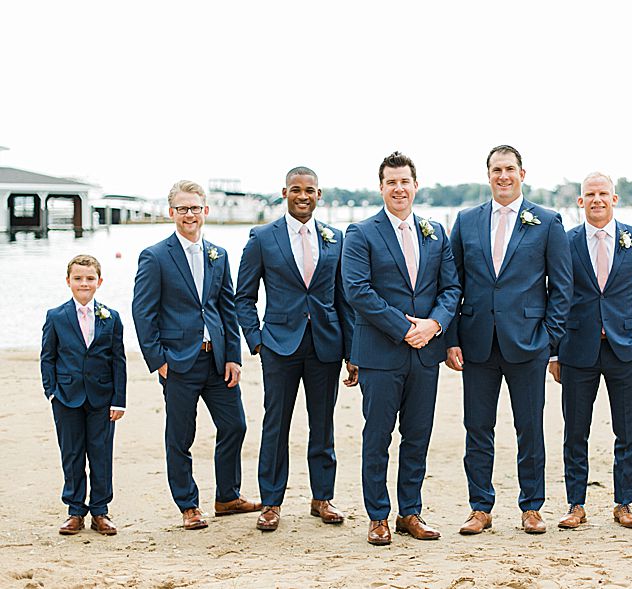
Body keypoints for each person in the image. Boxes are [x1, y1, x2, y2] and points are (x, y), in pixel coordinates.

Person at [445, 145, 571, 535]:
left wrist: (549, 339)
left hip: (528, 343)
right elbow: (451, 284)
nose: (503, 176)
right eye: (497, 170)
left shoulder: (547, 222)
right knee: (477, 429)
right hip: (477, 343)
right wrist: (451, 339)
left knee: (529, 428)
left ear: (522, 173)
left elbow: (562, 287)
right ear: (488, 175)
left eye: (510, 169)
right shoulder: (466, 221)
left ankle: (531, 507)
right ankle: (480, 508)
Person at [342, 151, 460, 545]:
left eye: (404, 181)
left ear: (415, 185)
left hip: (425, 352)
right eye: (391, 182)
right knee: (377, 437)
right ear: (381, 188)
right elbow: (357, 290)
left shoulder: (434, 231)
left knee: (417, 435)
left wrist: (434, 325)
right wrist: (403, 328)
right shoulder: (360, 233)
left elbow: (451, 288)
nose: (398, 188)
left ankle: (410, 512)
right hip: (380, 353)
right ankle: (378, 516)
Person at [235, 166, 356, 531]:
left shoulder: (335, 237)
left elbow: (343, 299)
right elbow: (244, 297)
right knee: (276, 425)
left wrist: (352, 351)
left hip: (326, 346)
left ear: (319, 195)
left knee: (323, 425)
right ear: (284, 192)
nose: (303, 196)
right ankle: (271, 502)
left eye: (310, 190)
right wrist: (257, 341)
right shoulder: (262, 237)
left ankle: (322, 499)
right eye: (296, 190)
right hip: (279, 346)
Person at [133, 180, 259, 530]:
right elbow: (143, 312)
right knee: (180, 436)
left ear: (206, 211)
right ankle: (188, 505)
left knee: (235, 425)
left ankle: (228, 496)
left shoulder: (218, 254)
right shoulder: (155, 256)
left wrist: (233, 355)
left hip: (217, 361)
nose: (190, 214)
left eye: (195, 208)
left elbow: (227, 307)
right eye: (183, 208)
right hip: (177, 362)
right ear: (171, 212)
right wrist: (158, 359)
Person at [549, 172, 632, 530]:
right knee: (575, 430)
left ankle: (624, 503)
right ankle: (576, 504)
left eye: (603, 194)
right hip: (577, 350)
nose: (597, 200)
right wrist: (553, 352)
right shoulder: (565, 242)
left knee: (627, 431)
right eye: (589, 195)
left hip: (625, 349)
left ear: (615, 199)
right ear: (580, 201)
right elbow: (552, 296)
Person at [40, 254, 126, 536]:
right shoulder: (56, 316)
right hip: (66, 397)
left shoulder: (111, 317)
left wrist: (119, 399)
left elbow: (118, 360)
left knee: (101, 454)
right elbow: (48, 357)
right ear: (68, 282)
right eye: (78, 278)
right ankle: (75, 510)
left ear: (99, 282)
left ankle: (100, 511)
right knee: (72, 454)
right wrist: (51, 392)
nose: (84, 283)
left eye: (90, 278)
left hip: (102, 398)